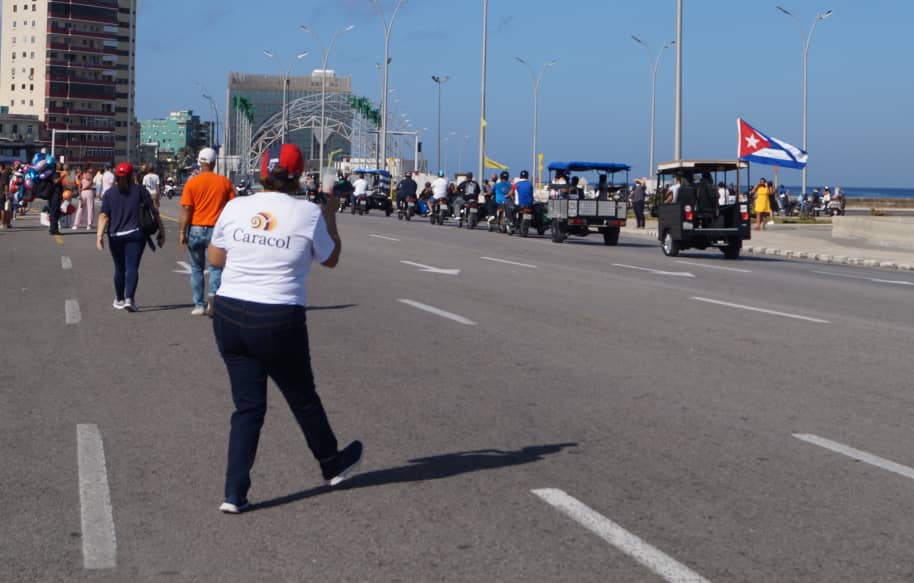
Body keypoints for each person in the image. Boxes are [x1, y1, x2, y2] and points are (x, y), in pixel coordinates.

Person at [207, 143, 361, 514]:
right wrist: (331, 216)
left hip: (229, 314)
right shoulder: (308, 213)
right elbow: (331, 259)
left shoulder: (237, 205)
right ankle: (331, 463)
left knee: (247, 408)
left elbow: (214, 257)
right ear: (298, 176)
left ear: (263, 172)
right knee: (302, 397)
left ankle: (234, 493)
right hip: (277, 317)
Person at [95, 162, 165, 312]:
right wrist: (162, 232)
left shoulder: (110, 193)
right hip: (136, 234)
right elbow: (154, 212)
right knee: (132, 267)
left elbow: (103, 216)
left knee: (119, 268)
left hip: (115, 236)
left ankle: (119, 299)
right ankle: (129, 299)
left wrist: (99, 236)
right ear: (132, 174)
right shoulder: (140, 191)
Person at [179, 147, 236, 317]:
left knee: (196, 268)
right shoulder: (224, 182)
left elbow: (187, 209)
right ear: (214, 163)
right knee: (215, 268)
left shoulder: (192, 182)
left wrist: (182, 231)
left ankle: (198, 305)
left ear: (200, 161)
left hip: (195, 229)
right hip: (217, 231)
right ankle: (213, 299)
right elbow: (232, 206)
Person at [71, 165, 96, 230]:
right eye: (91, 168)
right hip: (89, 192)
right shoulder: (90, 175)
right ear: (88, 169)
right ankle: (89, 224)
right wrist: (84, 188)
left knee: (80, 208)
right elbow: (90, 184)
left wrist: (80, 193)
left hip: (83, 193)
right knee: (90, 208)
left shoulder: (81, 175)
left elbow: (79, 185)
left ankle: (76, 224)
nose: (92, 169)